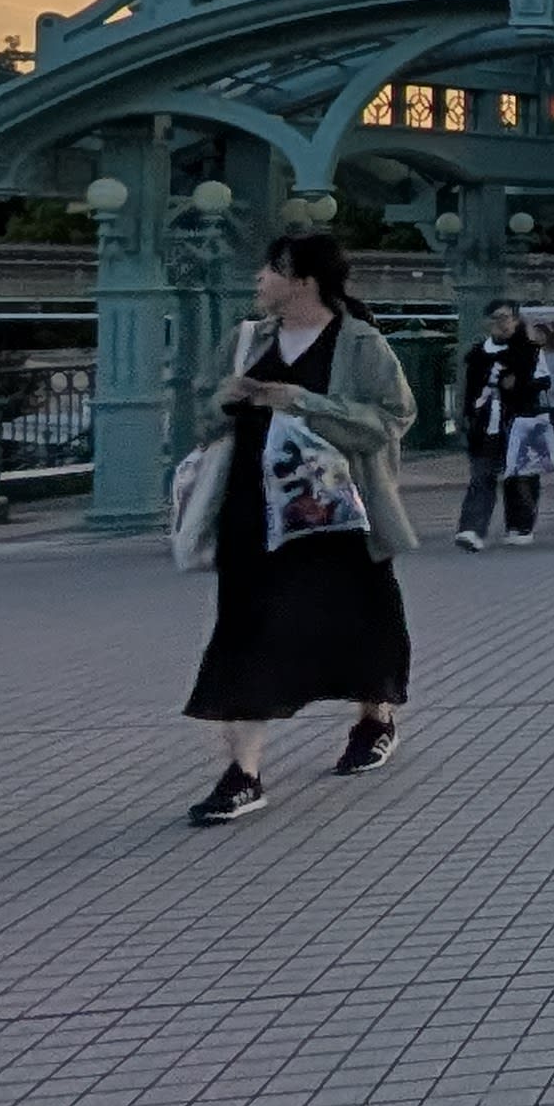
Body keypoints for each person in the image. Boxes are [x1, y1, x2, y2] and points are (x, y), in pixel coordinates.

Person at [182, 231, 415, 823]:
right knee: (243, 629)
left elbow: (391, 420)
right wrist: (226, 400)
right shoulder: (243, 341)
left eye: (271, 269)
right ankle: (242, 774)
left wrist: (303, 402)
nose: (259, 279)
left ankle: (374, 715)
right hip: (250, 511)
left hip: (334, 516)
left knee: (357, 620)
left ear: (303, 280)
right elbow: (200, 416)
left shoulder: (361, 344)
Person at [454, 298, 549, 548]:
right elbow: (466, 391)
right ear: (487, 322)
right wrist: (465, 417)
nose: (502, 324)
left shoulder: (530, 351)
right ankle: (472, 529)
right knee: (482, 475)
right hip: (485, 422)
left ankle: (520, 525)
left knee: (520, 475)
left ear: (516, 321)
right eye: (496, 318)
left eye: (506, 318)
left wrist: (518, 384)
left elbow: (543, 381)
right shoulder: (476, 354)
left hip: (520, 419)